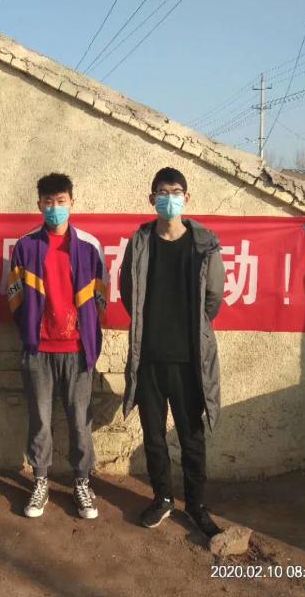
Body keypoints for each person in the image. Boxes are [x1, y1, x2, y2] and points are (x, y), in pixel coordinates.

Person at [119, 167, 225, 538]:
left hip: (188, 361)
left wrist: (192, 329)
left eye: (175, 192)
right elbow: (128, 292)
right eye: (162, 193)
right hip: (148, 359)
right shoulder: (140, 242)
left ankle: (196, 504)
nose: (169, 198)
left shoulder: (203, 244)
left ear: (186, 198)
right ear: (152, 199)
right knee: (153, 436)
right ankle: (162, 497)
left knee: (191, 436)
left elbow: (213, 297)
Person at [7, 173, 107, 519]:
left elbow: (101, 299)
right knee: (40, 421)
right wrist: (31, 333)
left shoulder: (90, 247)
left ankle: (82, 482)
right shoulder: (25, 247)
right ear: (39, 205)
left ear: (72, 203)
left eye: (61, 201)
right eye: (48, 202)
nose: (55, 208)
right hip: (39, 353)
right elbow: (14, 298)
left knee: (80, 422)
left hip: (78, 352)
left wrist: (88, 335)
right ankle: (40, 481)